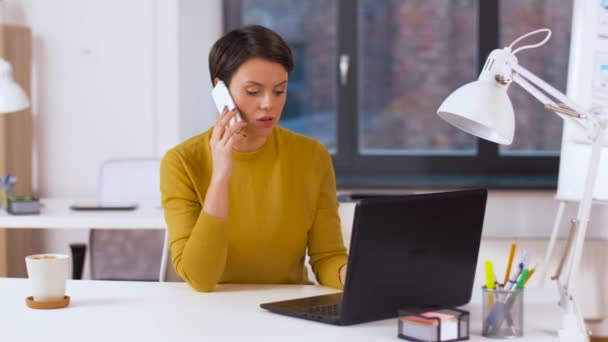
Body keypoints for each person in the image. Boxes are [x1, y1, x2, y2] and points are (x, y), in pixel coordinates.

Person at [160, 25, 348, 292]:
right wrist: (221, 176)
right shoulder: (181, 162)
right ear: (220, 90)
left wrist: (351, 275)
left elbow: (328, 256)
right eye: (253, 91)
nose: (268, 104)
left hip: (287, 312)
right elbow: (200, 278)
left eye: (279, 90)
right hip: (209, 315)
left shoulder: (312, 156)